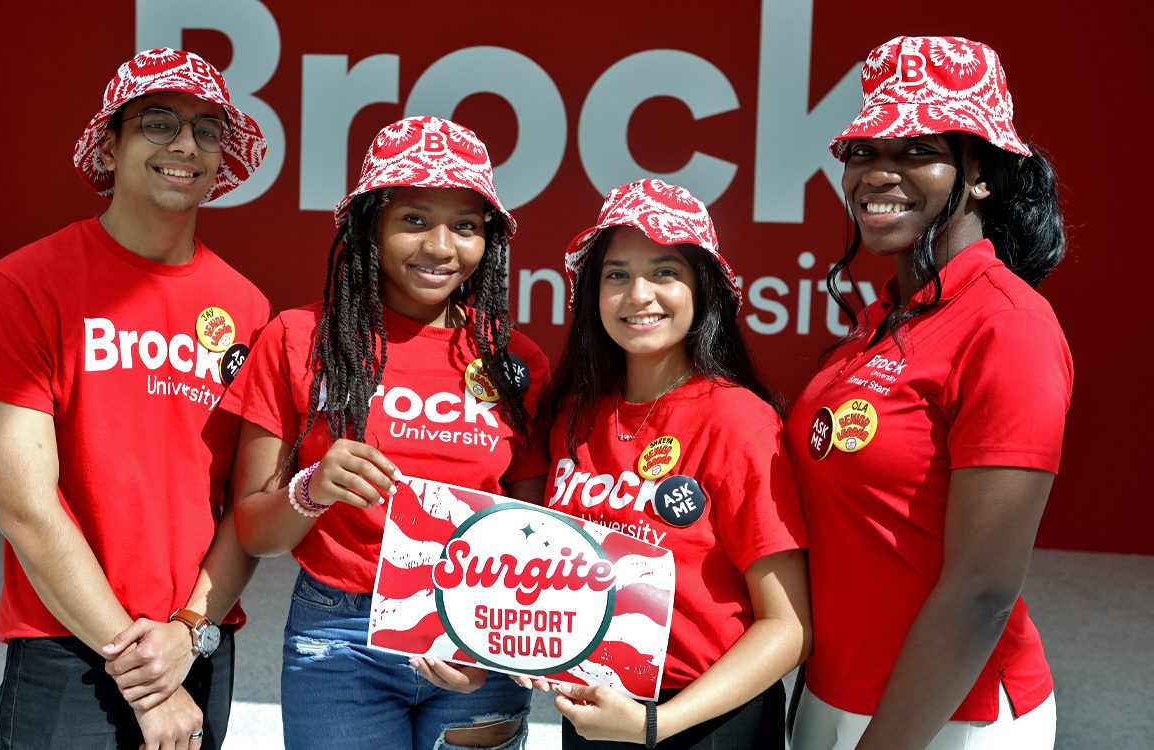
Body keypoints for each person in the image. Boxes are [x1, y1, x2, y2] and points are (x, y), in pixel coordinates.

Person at [0, 48, 271, 750]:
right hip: (71, 647)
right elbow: (26, 507)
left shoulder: (246, 306)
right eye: (159, 122)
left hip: (196, 644)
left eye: (208, 129)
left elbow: (248, 507)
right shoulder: (22, 287)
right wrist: (142, 670)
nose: (186, 144)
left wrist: (189, 633)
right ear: (110, 144)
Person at [222, 115, 548, 750]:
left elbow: (537, 532)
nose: (440, 247)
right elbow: (252, 531)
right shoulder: (298, 338)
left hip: (479, 638)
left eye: (466, 226)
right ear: (370, 224)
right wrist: (312, 488)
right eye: (415, 219)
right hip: (341, 639)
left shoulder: (516, 361)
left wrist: (492, 641)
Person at [785, 36, 1070, 750]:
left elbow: (983, 593)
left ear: (980, 176)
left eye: (916, 151)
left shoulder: (1007, 325)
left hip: (945, 719)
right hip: (833, 699)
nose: (879, 174)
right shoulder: (879, 323)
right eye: (863, 153)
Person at [538, 179, 811, 748]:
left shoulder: (739, 419)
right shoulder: (572, 413)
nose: (638, 294)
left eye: (664, 272)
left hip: (704, 721)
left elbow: (788, 627)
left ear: (702, 290)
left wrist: (653, 725)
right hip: (592, 714)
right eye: (617, 274)